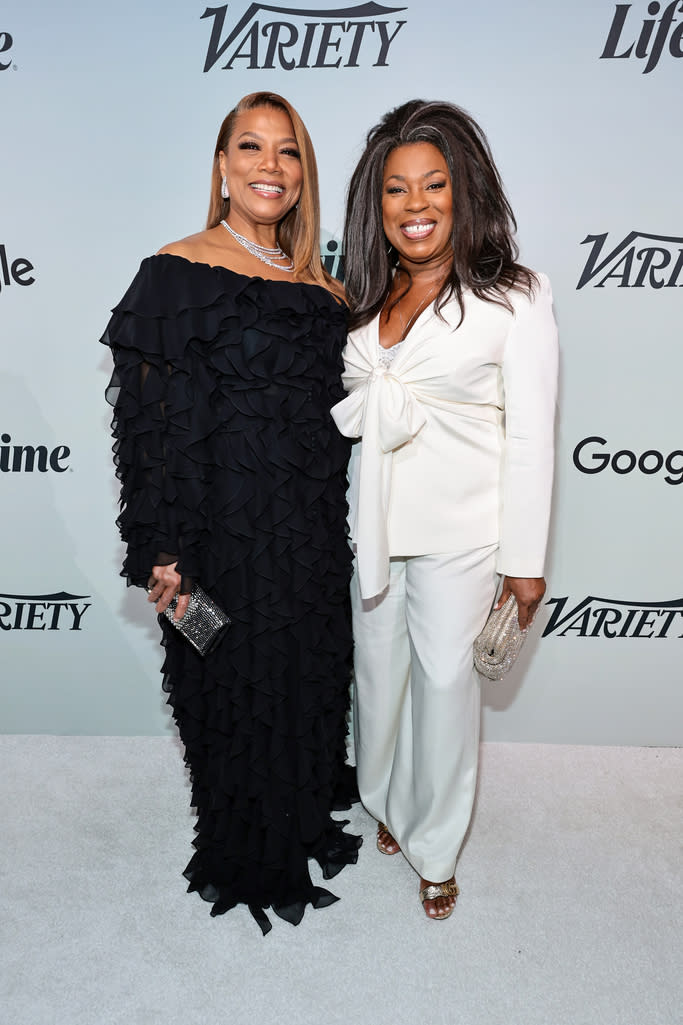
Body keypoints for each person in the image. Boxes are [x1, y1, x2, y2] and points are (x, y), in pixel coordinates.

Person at [102, 92, 361, 935]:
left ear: (303, 174)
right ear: (220, 166)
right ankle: (246, 847)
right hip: (219, 530)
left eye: (287, 153)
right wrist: (161, 549)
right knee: (230, 686)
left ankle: (296, 816)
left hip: (311, 531)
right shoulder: (173, 271)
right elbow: (149, 426)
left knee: (305, 679)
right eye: (250, 147)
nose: (269, 167)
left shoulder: (322, 287)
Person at [331, 100, 559, 920]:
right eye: (396, 189)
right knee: (378, 677)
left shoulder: (514, 297)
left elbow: (533, 436)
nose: (415, 204)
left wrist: (523, 562)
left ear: (462, 193)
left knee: (443, 687)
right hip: (374, 526)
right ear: (376, 203)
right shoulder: (364, 293)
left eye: (433, 185)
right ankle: (388, 800)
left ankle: (435, 845)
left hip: (463, 532)